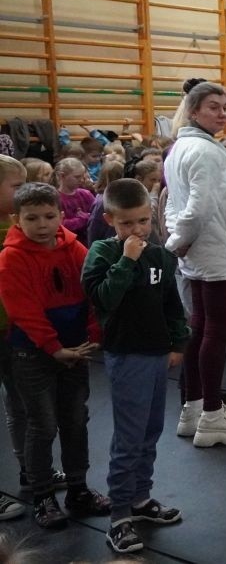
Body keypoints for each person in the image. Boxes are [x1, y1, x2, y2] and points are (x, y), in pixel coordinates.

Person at [82, 179, 187, 553]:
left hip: (157, 352)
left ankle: (140, 498)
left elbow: (171, 302)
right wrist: (126, 260)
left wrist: (178, 341)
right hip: (127, 354)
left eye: (143, 221)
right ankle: (119, 516)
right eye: (127, 223)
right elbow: (103, 299)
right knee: (129, 437)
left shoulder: (159, 255)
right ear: (110, 220)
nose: (137, 230)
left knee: (150, 431)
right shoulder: (102, 253)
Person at [0, 182, 110, 528]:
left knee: (75, 420)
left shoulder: (75, 248)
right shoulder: (12, 257)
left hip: (75, 349)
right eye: (32, 218)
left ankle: (78, 488)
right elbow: (23, 310)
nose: (42, 224)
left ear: (61, 215)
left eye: (49, 216)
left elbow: (91, 292)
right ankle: (43, 495)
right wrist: (53, 347)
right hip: (32, 353)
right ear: (16, 219)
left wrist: (92, 336)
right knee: (42, 424)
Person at [164, 81, 226, 447]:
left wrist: (178, 239)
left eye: (224, 107)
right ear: (193, 110)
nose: (222, 113)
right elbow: (197, 208)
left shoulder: (183, 147)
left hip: (204, 252)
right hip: (219, 254)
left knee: (201, 328)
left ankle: (193, 408)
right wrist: (178, 241)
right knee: (216, 333)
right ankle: (212, 415)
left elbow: (176, 205)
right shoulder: (203, 150)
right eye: (213, 107)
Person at [0, 156, 32, 522]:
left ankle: (30, 468)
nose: (22, 193)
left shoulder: (19, 225)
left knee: (20, 403)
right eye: (16, 187)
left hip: (14, 330)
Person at [55, 158, 95, 242]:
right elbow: (59, 224)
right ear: (62, 176)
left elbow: (96, 215)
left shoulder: (86, 194)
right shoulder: (55, 199)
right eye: (77, 177)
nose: (82, 180)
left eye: (83, 176)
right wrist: (83, 219)